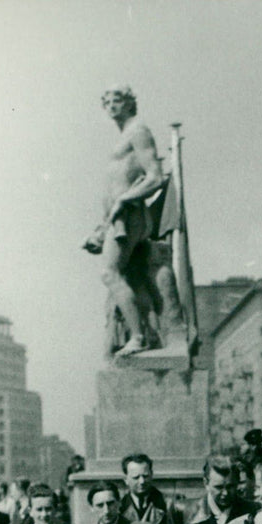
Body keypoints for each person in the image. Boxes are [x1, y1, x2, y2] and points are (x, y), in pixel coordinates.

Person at [82, 85, 184, 357]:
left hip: (130, 215)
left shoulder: (138, 131)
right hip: (117, 218)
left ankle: (138, 337)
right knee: (135, 278)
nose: (113, 105)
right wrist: (102, 227)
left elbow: (155, 176)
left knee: (109, 273)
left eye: (119, 100)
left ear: (130, 104)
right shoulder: (124, 135)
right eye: (108, 101)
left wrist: (124, 201)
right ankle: (148, 335)